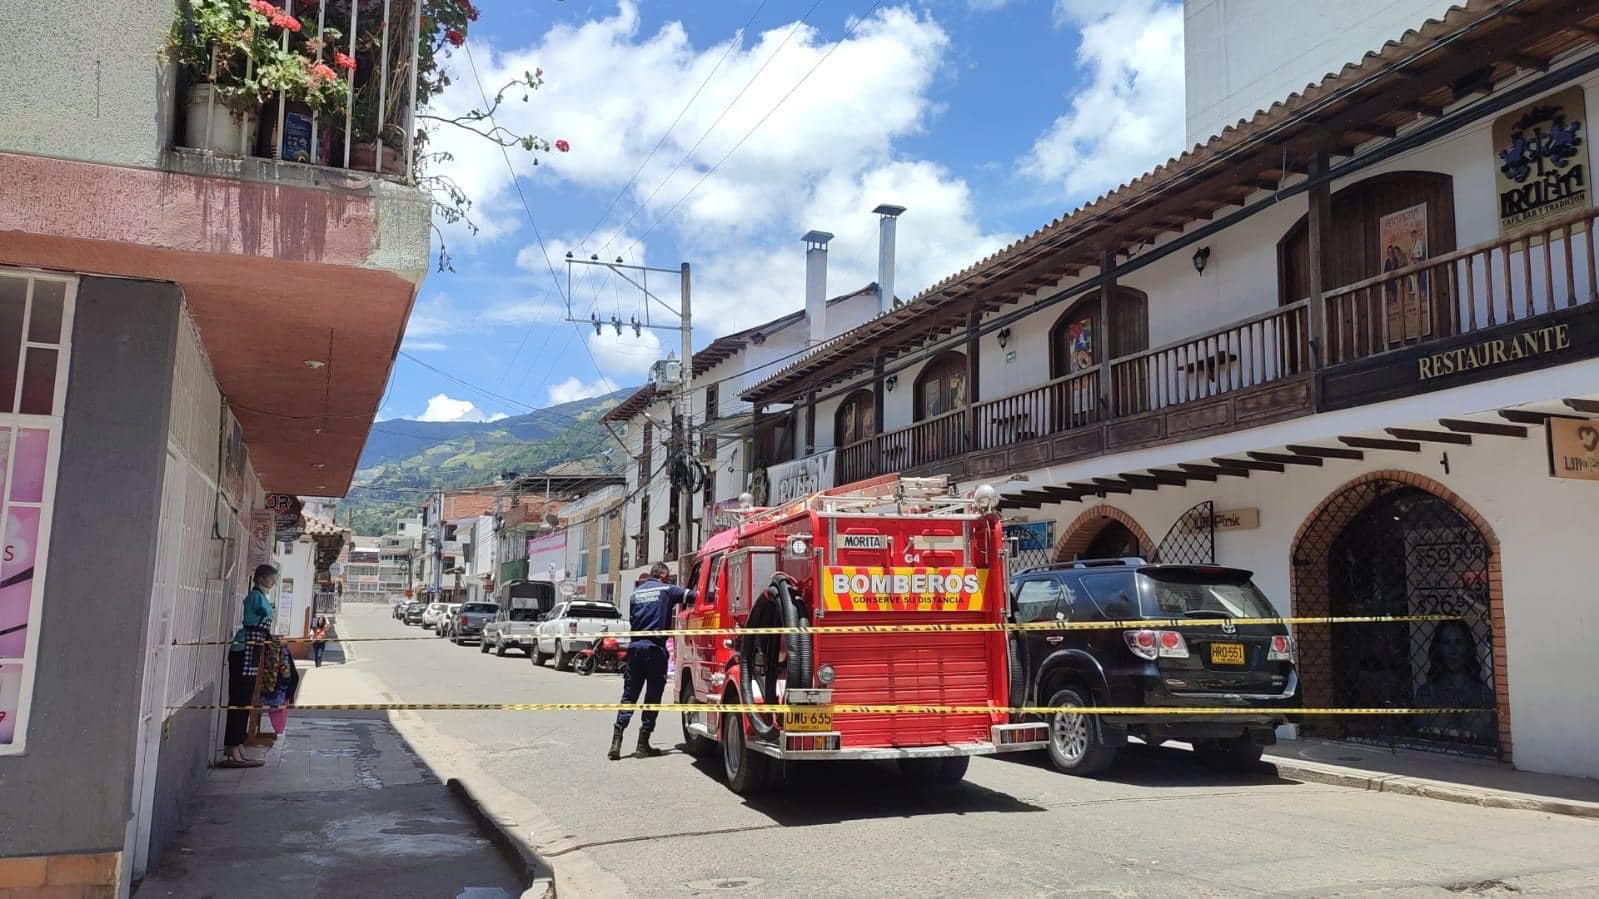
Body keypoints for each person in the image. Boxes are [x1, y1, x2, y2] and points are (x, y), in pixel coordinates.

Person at [608, 562, 686, 760]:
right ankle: (643, 745)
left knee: (629, 696)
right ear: (661, 575)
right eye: (667, 577)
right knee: (652, 697)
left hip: (634, 649)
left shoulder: (635, 594)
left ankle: (616, 742)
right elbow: (692, 596)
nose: (668, 581)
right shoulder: (666, 589)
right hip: (654, 649)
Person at [221, 564, 277, 768]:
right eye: (271, 578)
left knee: (245, 701)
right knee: (239, 699)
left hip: (253, 650)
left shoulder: (262, 597)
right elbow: (259, 619)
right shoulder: (256, 597)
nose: (273, 582)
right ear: (261, 578)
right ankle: (232, 744)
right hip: (244, 648)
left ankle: (238, 743)